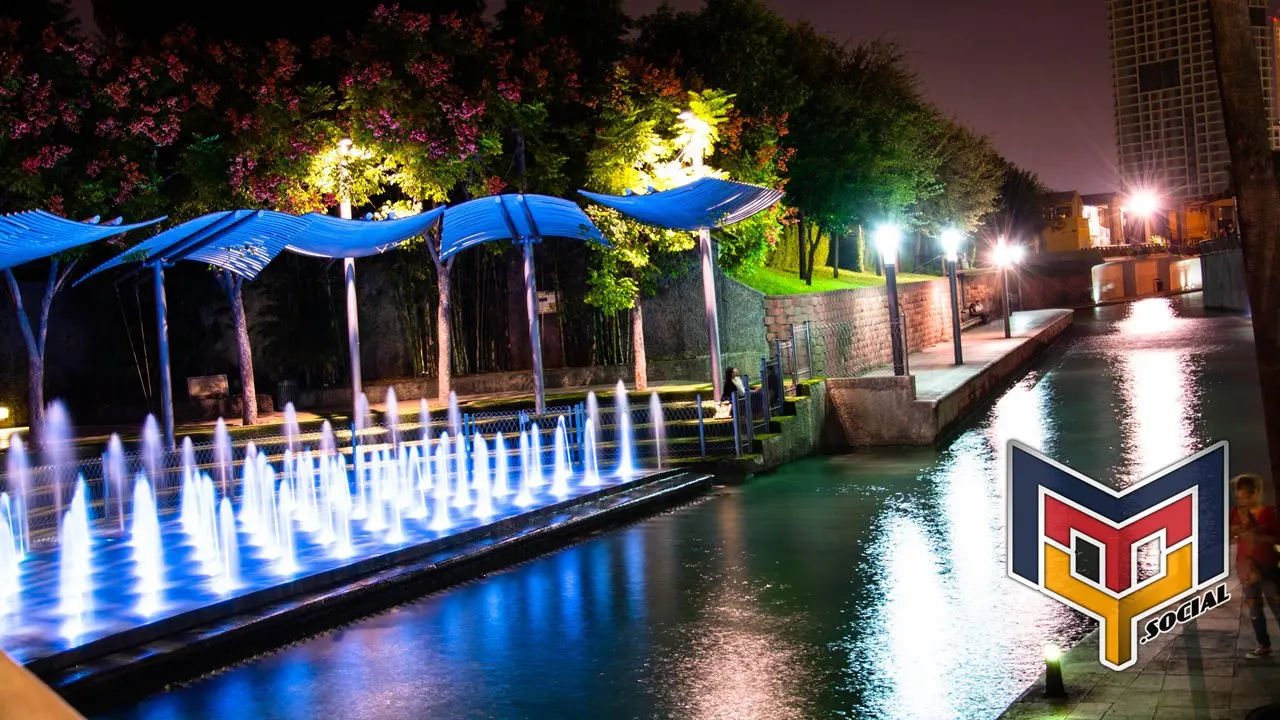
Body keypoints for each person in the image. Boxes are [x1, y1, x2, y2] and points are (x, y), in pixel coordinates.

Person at [1230, 473, 1280, 659]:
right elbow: (1228, 536)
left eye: (1246, 496)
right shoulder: (1236, 513)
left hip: (1267, 565)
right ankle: (1263, 645)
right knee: (1254, 607)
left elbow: (1277, 538)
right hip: (1245, 567)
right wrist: (1234, 531)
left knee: (1276, 605)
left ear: (1257, 493)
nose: (1242, 501)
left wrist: (1259, 536)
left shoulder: (1269, 513)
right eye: (1239, 497)